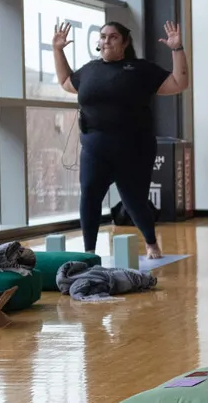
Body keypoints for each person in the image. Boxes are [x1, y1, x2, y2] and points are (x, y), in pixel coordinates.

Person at [53, 19, 188, 259]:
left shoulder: (141, 70)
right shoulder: (90, 70)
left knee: (135, 201)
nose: (106, 40)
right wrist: (57, 51)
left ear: (125, 42)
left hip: (134, 148)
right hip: (95, 148)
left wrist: (177, 49)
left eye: (113, 36)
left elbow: (179, 83)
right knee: (90, 197)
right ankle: (89, 252)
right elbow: (66, 82)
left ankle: (151, 242)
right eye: (103, 36)